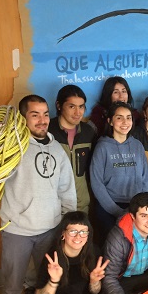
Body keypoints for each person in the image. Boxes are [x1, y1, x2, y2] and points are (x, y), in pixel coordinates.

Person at [0, 94, 77, 294]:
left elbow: (67, 189)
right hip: (17, 229)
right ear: (23, 118)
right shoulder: (11, 149)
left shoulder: (57, 150)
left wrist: (67, 223)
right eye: (34, 115)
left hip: (50, 228)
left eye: (44, 114)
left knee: (47, 279)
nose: (42, 120)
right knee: (11, 286)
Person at [90, 101, 148, 243]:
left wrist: (138, 206)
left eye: (128, 117)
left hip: (135, 207)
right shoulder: (102, 147)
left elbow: (144, 177)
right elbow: (96, 183)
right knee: (113, 248)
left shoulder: (137, 145)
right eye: (119, 117)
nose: (125, 122)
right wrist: (116, 211)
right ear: (110, 121)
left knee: (134, 247)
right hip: (108, 208)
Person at [48, 84, 96, 214]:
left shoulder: (89, 132)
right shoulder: (47, 131)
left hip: (81, 204)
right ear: (59, 106)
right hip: (52, 205)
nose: (78, 112)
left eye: (81, 107)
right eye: (71, 106)